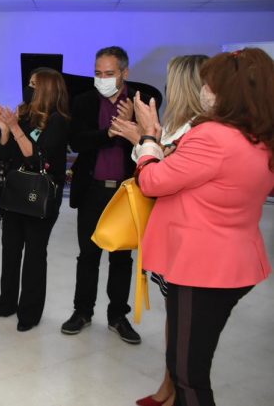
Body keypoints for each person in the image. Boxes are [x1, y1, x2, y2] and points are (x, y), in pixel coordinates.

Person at [132, 48, 274, 406]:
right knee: (190, 360)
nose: (204, 91)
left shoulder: (213, 136)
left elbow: (151, 181)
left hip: (203, 267)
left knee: (188, 375)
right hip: (234, 262)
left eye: (209, 84)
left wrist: (148, 138)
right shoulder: (259, 137)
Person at [110, 55, 208, 406]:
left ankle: (176, 389)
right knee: (175, 319)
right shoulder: (182, 126)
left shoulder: (201, 132)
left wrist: (143, 137)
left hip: (189, 237)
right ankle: (168, 386)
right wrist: (143, 138)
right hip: (173, 233)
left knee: (185, 326)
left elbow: (158, 178)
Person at [62, 45, 159, 344]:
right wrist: (109, 133)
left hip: (125, 192)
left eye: (109, 73)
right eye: (97, 73)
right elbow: (77, 141)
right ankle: (82, 312)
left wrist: (133, 126)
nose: (102, 79)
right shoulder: (84, 101)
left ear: (124, 73)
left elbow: (152, 143)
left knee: (121, 257)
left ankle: (118, 316)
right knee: (88, 255)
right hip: (92, 190)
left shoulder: (142, 101)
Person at [0, 68, 70, 332]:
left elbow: (37, 159)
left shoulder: (58, 121)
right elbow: (5, 154)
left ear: (48, 90)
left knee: (34, 255)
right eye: (29, 83)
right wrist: (4, 130)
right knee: (10, 251)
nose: (29, 88)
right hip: (14, 194)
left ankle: (29, 312)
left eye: (34, 85)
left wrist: (14, 128)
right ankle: (6, 302)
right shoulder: (22, 115)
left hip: (40, 197)